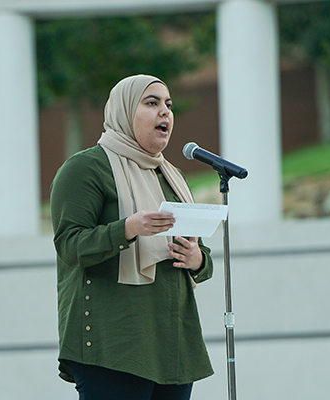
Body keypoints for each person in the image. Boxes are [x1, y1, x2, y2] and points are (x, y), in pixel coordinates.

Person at [50, 74, 214, 400]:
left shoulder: (172, 176)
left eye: (168, 105)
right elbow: (69, 246)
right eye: (151, 103)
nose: (165, 112)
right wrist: (127, 229)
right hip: (114, 343)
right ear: (123, 112)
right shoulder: (85, 169)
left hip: (172, 343)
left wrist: (198, 259)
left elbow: (199, 256)